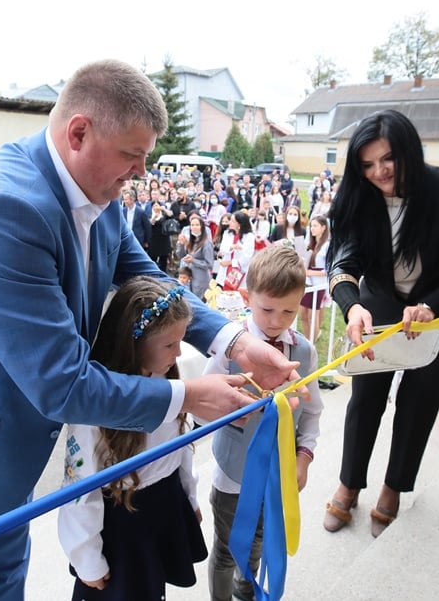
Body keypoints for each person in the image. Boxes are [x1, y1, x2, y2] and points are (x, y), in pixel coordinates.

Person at [0, 59, 298, 599]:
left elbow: (148, 277)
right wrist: (187, 395)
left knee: (2, 582)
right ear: (78, 132)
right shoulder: (0, 206)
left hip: (8, 446)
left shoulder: (96, 196)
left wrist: (236, 341)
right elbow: (61, 382)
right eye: (132, 155)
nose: (140, 172)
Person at [322, 110, 439, 537]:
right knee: (365, 400)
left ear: (409, 152)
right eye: (368, 164)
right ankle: (349, 484)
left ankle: (393, 489)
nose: (379, 172)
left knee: (417, 406)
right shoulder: (359, 197)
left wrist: (432, 304)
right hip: (379, 314)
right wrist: (351, 305)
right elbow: (343, 261)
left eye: (388, 159)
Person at [58, 277, 207, 599]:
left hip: (164, 505)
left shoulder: (170, 383)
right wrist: (87, 559)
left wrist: (190, 498)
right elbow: (79, 488)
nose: (178, 352)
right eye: (169, 344)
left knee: (153, 588)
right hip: (125, 526)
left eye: (180, 341)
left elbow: (180, 448)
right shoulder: (96, 410)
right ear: (134, 341)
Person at [202, 245, 324, 601]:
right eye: (267, 309)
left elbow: (312, 411)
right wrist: (233, 408)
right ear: (247, 296)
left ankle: (248, 593)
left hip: (276, 474)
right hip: (232, 475)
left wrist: (303, 457)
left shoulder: (304, 352)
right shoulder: (229, 348)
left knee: (257, 542)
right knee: (226, 550)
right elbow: (200, 409)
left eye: (288, 311)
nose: (276, 320)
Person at [299, 215, 331, 342]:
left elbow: (328, 270)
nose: (312, 229)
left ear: (323, 227)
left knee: (313, 315)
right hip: (307, 283)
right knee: (303, 314)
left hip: (319, 284)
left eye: (315, 226)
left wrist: (309, 272)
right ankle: (308, 339)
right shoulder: (310, 244)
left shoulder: (328, 245)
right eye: (311, 226)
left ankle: (312, 342)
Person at [176, 213, 215, 300]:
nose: (194, 227)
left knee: (199, 302)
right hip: (190, 278)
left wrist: (193, 261)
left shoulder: (206, 243)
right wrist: (181, 245)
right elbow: (181, 256)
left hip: (201, 279)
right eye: (192, 225)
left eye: (197, 225)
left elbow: (209, 265)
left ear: (202, 227)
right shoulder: (192, 242)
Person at [215, 210, 256, 290]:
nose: (229, 222)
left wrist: (230, 263)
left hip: (239, 271)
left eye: (233, 221)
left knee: (237, 295)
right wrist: (232, 247)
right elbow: (222, 248)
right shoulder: (227, 233)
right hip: (225, 269)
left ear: (240, 224)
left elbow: (247, 257)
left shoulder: (249, 236)